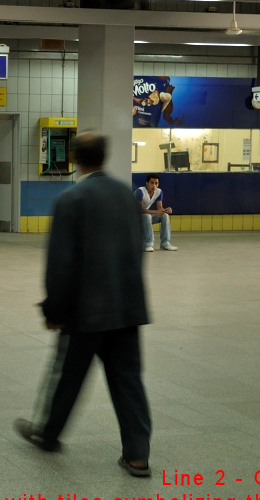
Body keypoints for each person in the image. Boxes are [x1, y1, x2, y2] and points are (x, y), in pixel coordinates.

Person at [14, 132, 153, 478]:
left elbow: (61, 263)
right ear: (105, 157)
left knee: (67, 376)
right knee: (128, 381)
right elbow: (138, 250)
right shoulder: (125, 195)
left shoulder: (71, 198)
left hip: (86, 313)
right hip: (126, 308)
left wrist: (53, 310)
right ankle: (137, 455)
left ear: (76, 158)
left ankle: (48, 435)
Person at [135, 173, 177, 252]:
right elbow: (139, 210)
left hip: (146, 217)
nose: (154, 185)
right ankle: (148, 244)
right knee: (147, 216)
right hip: (135, 217)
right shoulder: (140, 191)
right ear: (147, 183)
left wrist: (166, 210)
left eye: (156, 183)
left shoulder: (159, 192)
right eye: (152, 183)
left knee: (165, 216)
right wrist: (156, 212)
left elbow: (160, 209)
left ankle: (165, 243)